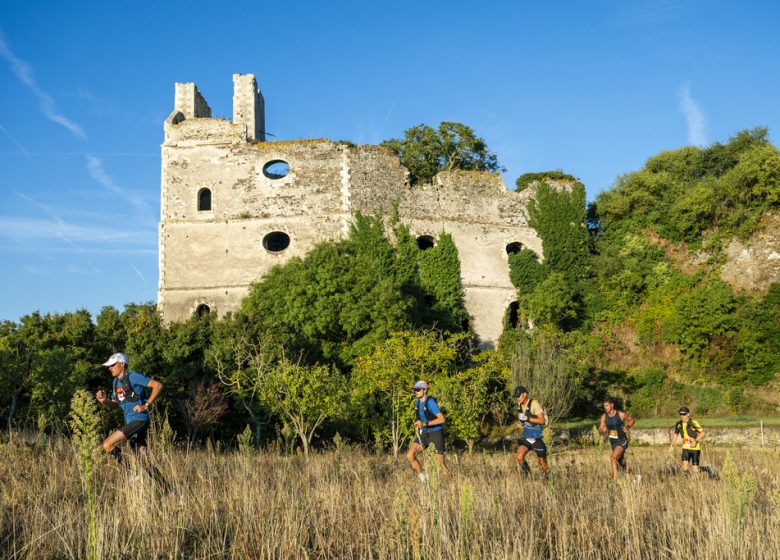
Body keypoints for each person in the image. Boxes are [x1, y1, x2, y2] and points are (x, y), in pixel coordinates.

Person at [95, 352, 163, 458]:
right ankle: (147, 469)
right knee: (140, 455)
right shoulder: (115, 382)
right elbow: (115, 404)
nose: (109, 368)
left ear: (122, 364)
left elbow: (158, 386)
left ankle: (128, 468)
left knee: (107, 444)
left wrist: (146, 405)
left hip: (139, 419)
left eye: (112, 365)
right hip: (131, 421)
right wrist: (104, 401)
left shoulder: (132, 376)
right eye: (109, 366)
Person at [406, 380, 454, 483]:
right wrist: (417, 424)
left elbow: (442, 419)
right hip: (424, 433)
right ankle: (424, 481)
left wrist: (425, 423)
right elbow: (419, 417)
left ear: (425, 390)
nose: (416, 392)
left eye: (418, 390)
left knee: (440, 464)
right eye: (415, 390)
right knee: (410, 455)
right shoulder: (417, 402)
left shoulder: (431, 402)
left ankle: (452, 486)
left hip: (436, 433)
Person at [513, 385, 549, 477]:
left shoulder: (534, 403)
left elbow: (542, 421)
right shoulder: (519, 405)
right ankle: (529, 476)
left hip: (537, 437)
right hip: (527, 437)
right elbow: (522, 420)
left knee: (543, 465)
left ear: (525, 394)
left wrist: (528, 419)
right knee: (519, 457)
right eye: (516, 396)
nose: (517, 398)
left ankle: (549, 479)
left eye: (518, 396)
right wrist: (521, 422)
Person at [598, 397, 635, 481]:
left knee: (613, 458)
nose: (605, 407)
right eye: (604, 406)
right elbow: (600, 428)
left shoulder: (620, 414)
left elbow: (632, 420)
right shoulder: (604, 416)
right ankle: (635, 478)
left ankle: (615, 480)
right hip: (613, 441)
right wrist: (601, 430)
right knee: (622, 462)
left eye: (607, 405)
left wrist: (627, 426)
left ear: (612, 405)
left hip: (622, 440)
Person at [670, 406, 705, 474]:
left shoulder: (693, 423)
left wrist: (696, 441)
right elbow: (675, 435)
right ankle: (687, 480)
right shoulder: (678, 424)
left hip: (695, 448)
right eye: (680, 414)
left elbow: (703, 433)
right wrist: (672, 446)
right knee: (685, 468)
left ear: (688, 414)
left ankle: (707, 468)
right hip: (685, 448)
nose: (682, 416)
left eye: (684, 414)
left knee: (695, 470)